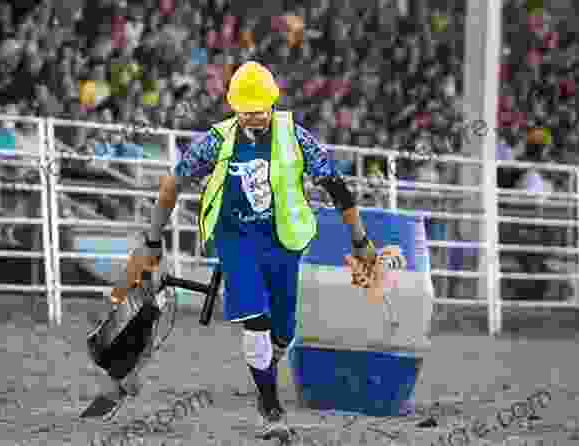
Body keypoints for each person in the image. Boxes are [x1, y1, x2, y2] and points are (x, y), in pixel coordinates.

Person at [96, 61, 403, 439]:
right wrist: (152, 240)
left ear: (272, 104)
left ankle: (267, 375)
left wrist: (360, 239)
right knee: (255, 319)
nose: (252, 119)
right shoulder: (217, 140)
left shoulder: (298, 138)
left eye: (258, 111)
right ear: (233, 107)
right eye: (244, 112)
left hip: (283, 241)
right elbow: (173, 183)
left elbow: (336, 187)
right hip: (235, 238)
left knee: (283, 332)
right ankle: (271, 410)